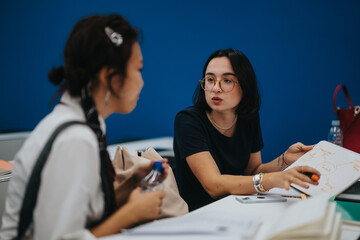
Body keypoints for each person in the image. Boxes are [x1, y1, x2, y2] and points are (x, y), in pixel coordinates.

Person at [0, 14, 167, 239]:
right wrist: (131, 214)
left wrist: (130, 182)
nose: (142, 81)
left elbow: (84, 215)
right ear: (109, 76)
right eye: (138, 69)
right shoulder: (75, 139)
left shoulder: (81, 126)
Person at [173, 48, 321, 211]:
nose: (216, 88)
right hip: (195, 213)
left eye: (227, 80)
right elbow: (213, 186)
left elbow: (253, 170)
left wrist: (285, 160)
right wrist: (272, 180)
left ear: (245, 86)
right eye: (210, 79)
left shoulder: (248, 118)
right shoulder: (188, 121)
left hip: (234, 208)